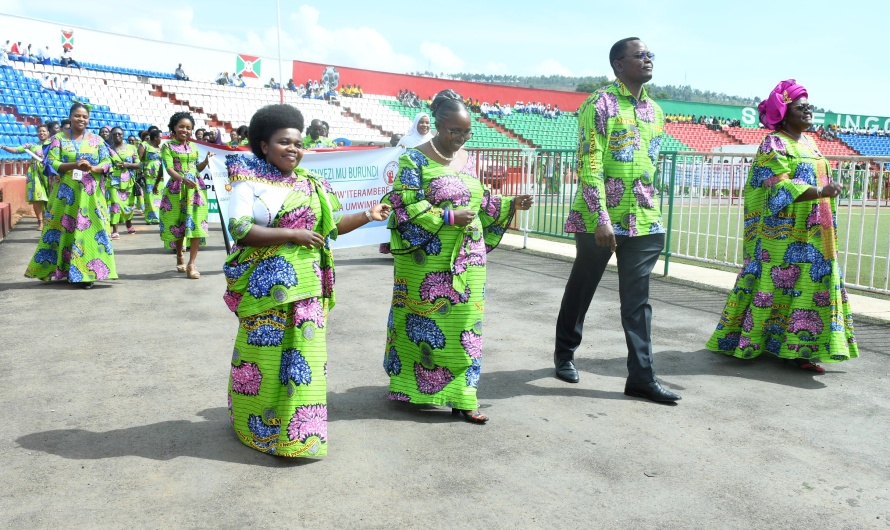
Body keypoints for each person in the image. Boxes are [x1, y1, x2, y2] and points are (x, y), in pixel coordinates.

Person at [223, 103, 391, 457]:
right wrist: (291, 235)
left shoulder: (313, 184)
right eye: (284, 142)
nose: (294, 149)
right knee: (264, 359)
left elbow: (331, 226)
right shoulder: (247, 184)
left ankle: (301, 436)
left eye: (298, 143)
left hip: (307, 288)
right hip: (264, 291)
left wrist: (368, 214)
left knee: (305, 359)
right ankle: (253, 424)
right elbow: (239, 229)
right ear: (264, 145)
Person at [380, 89, 533, 423]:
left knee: (466, 324)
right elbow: (404, 203)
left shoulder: (470, 160)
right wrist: (447, 217)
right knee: (420, 321)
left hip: (468, 256)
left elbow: (479, 200)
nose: (461, 138)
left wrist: (509, 204)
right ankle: (410, 385)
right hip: (425, 260)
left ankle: (464, 396)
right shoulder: (413, 159)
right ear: (437, 124)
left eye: (467, 133)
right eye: (455, 131)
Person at [552, 37, 680, 403]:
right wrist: (601, 218)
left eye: (650, 54)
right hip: (601, 217)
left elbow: (649, 165)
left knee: (638, 302)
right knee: (583, 286)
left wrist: (651, 210)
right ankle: (564, 352)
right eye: (639, 55)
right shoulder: (599, 103)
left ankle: (641, 377)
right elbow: (589, 161)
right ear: (618, 65)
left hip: (643, 219)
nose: (648, 59)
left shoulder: (656, 111)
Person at [706, 80, 858, 372]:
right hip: (783, 236)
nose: (808, 110)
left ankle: (801, 350)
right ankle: (758, 343)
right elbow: (778, 187)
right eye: (801, 106)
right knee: (780, 285)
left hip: (816, 232)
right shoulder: (773, 143)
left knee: (813, 286)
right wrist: (820, 192)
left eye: (809, 105)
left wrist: (826, 194)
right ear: (784, 114)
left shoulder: (810, 143)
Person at [25, 102, 116, 289]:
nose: (81, 119)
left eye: (84, 116)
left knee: (89, 231)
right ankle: (61, 271)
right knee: (60, 230)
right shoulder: (58, 139)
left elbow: (108, 162)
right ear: (70, 116)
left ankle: (86, 275)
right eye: (77, 115)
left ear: (88, 119)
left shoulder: (97, 140)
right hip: (64, 196)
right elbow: (51, 163)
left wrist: (93, 167)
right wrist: (75, 165)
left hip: (90, 195)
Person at [160, 111, 213, 279]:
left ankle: (192, 264)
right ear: (174, 128)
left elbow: (196, 168)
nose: (185, 130)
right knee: (178, 224)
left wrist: (205, 161)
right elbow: (169, 168)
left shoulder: (193, 147)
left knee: (196, 224)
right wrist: (182, 179)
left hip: (195, 190)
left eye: (188, 128)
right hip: (176, 189)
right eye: (181, 126)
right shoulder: (167, 146)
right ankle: (179, 254)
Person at [1, 123, 51, 230]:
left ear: (48, 133)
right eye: (39, 131)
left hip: (49, 173)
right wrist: (3, 146)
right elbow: (16, 150)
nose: (41, 133)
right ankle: (40, 222)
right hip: (35, 174)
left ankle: (49, 221)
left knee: (50, 198)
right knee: (37, 198)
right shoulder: (31, 145)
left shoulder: (54, 145)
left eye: (43, 131)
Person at [107, 127, 140, 238]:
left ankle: (128, 223)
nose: (117, 136)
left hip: (128, 181)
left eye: (119, 134)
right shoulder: (107, 149)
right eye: (115, 134)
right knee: (115, 204)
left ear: (123, 135)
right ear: (111, 135)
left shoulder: (131, 148)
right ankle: (115, 230)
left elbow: (139, 164)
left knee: (129, 205)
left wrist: (128, 165)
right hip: (113, 181)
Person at [140, 129, 163, 225]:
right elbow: (139, 159)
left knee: (160, 196)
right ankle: (151, 218)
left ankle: (160, 217)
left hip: (160, 176)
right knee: (150, 196)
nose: (162, 139)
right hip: (149, 175)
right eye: (160, 137)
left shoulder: (162, 147)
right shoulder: (144, 145)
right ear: (156, 138)